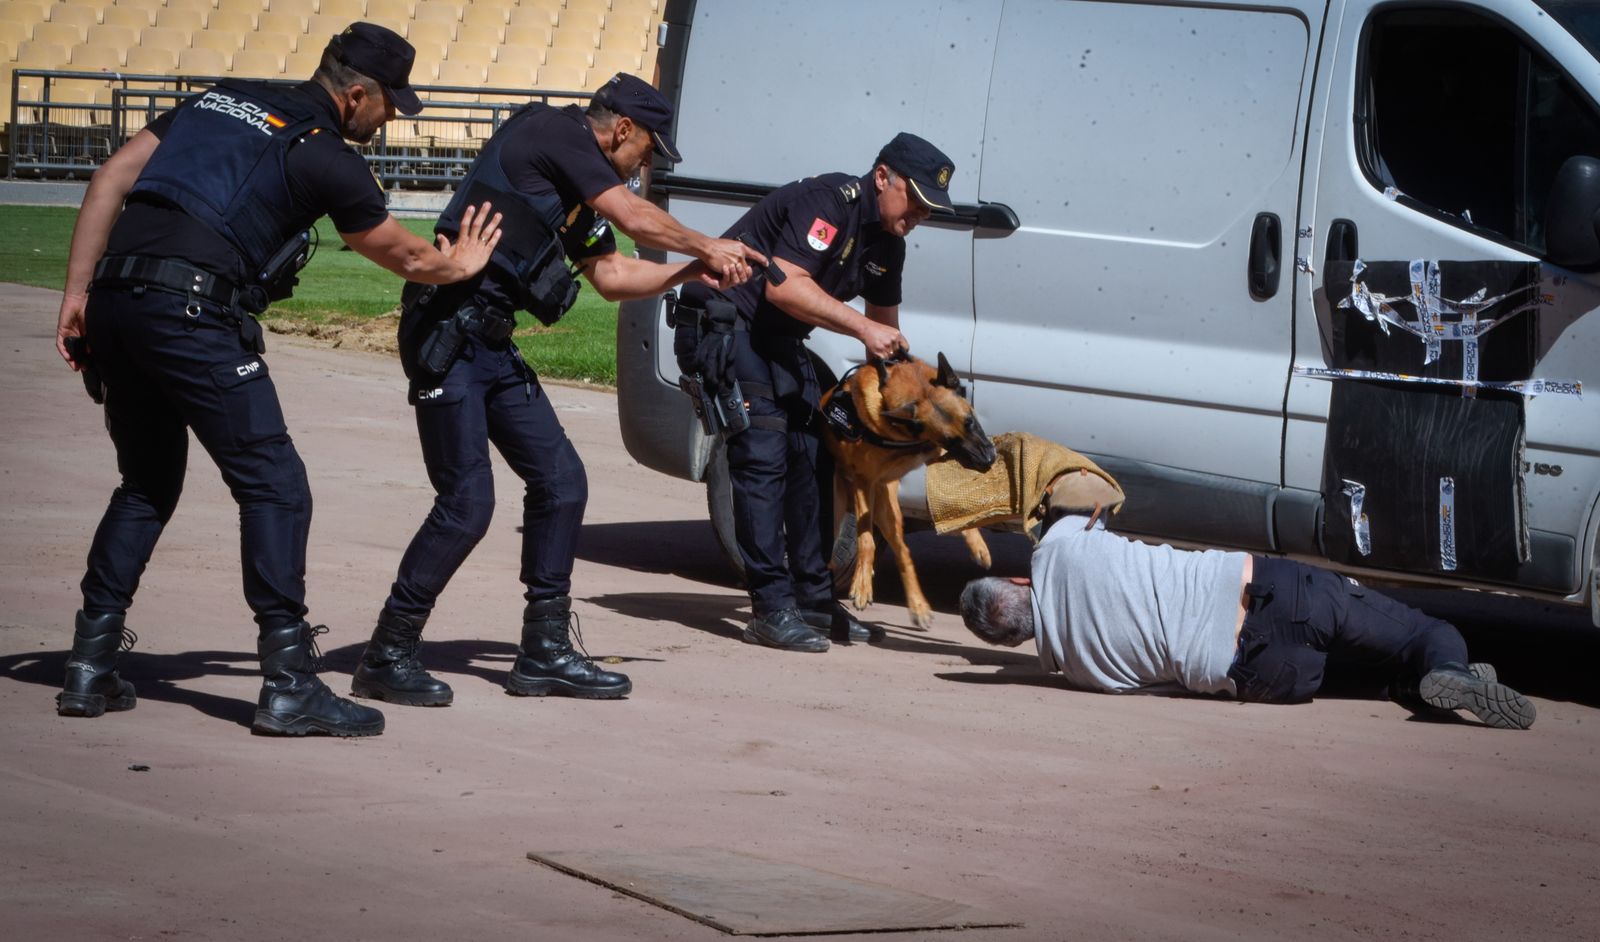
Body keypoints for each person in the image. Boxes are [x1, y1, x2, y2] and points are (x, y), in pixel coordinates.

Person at [53, 23, 504, 737]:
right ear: (355, 93)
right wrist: (464, 264)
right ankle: (290, 683)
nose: (390, 120)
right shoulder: (328, 158)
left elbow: (113, 175)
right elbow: (409, 257)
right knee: (275, 485)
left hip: (117, 300)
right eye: (389, 105)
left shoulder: (222, 98)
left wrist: (78, 292)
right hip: (194, 312)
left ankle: (88, 664)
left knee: (145, 485)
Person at [354, 73, 765, 707]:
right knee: (467, 504)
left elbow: (611, 274)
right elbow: (631, 217)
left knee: (562, 480)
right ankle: (388, 652)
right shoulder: (553, 133)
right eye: (648, 149)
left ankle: (542, 651)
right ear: (621, 128)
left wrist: (693, 271)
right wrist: (706, 243)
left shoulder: (574, 184)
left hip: (487, 341)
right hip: (447, 333)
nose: (646, 164)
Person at [674, 133, 956, 654]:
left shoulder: (888, 243)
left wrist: (912, 407)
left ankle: (813, 600)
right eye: (915, 200)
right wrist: (863, 332)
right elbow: (786, 286)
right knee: (763, 455)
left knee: (818, 455)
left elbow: (884, 334)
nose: (920, 214)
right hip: (724, 322)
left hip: (775, 336)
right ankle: (769, 609)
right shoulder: (828, 203)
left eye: (930, 208)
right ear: (882, 178)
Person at [958, 514, 1537, 729]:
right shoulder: (1058, 549)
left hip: (1261, 674)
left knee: (1378, 679)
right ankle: (1449, 668)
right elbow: (1088, 502)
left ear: (1018, 639)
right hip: (1275, 593)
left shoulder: (1082, 671)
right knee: (1427, 632)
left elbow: (1166, 683)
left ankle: (1428, 688)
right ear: (1016, 582)